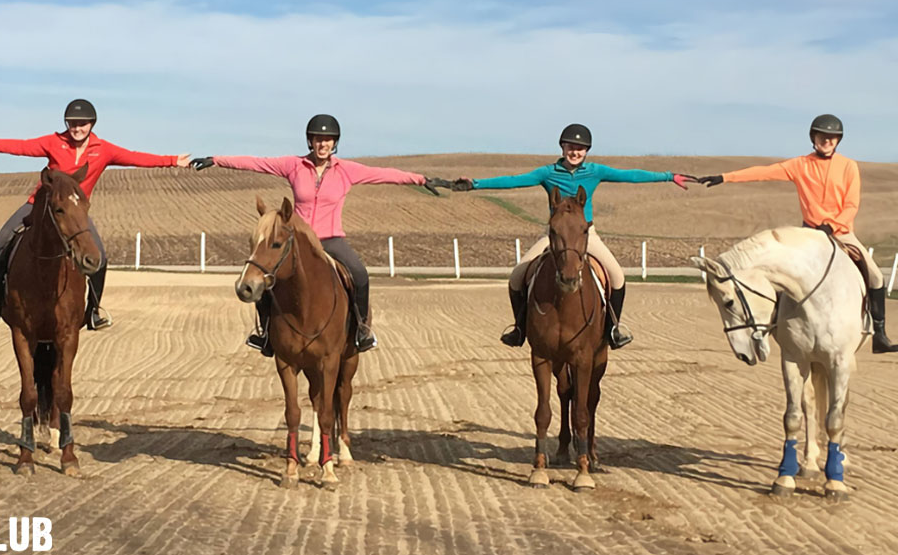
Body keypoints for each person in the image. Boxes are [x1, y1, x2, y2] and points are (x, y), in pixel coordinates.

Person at [190, 114, 450, 355]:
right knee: (267, 277)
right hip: (300, 241)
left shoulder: (346, 170)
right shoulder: (293, 165)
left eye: (327, 139)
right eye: (317, 139)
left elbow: (384, 174)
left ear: (335, 143)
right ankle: (266, 334)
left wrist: (420, 179)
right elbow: (257, 163)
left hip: (331, 239)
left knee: (360, 274)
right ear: (310, 141)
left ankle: (361, 329)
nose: (322, 144)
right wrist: (217, 160)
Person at [453, 123, 692, 349]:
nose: (575, 152)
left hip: (586, 235)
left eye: (580, 148)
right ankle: (520, 329)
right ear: (562, 148)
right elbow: (513, 181)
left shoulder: (595, 171)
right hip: (555, 237)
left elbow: (630, 175)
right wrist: (475, 184)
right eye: (570, 147)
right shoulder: (548, 173)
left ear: (586, 151)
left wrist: (669, 176)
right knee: (516, 277)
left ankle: (613, 329)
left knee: (617, 277)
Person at [0, 98, 189, 328]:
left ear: (92, 124)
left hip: (74, 214)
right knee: (0, 245)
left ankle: (94, 310)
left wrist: (173, 160)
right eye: (72, 123)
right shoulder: (54, 142)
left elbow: (135, 157)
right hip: (39, 205)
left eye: (82, 124)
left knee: (100, 257)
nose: (77, 128)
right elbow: (18, 146)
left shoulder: (103, 150)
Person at [695, 114, 897, 353]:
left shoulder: (848, 166)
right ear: (813, 138)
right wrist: (724, 177)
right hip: (808, 236)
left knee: (876, 277)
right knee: (783, 276)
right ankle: (776, 327)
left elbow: (851, 205)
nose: (827, 141)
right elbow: (764, 172)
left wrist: (832, 225)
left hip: (841, 233)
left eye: (832, 138)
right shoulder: (800, 165)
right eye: (822, 136)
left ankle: (879, 335)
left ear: (838, 140)